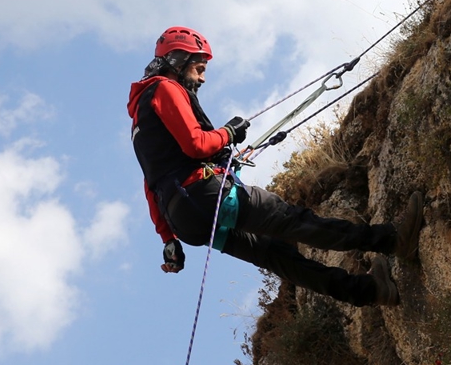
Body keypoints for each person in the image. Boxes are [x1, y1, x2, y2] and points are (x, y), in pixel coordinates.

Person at [126, 25, 423, 307]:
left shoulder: (139, 123)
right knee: (291, 220)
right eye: (199, 68)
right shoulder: (165, 88)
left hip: (185, 220)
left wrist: (169, 239)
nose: (202, 79)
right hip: (207, 196)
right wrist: (229, 132)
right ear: (178, 60)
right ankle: (393, 240)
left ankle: (373, 291)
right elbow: (196, 144)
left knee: (277, 257)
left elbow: (150, 183)